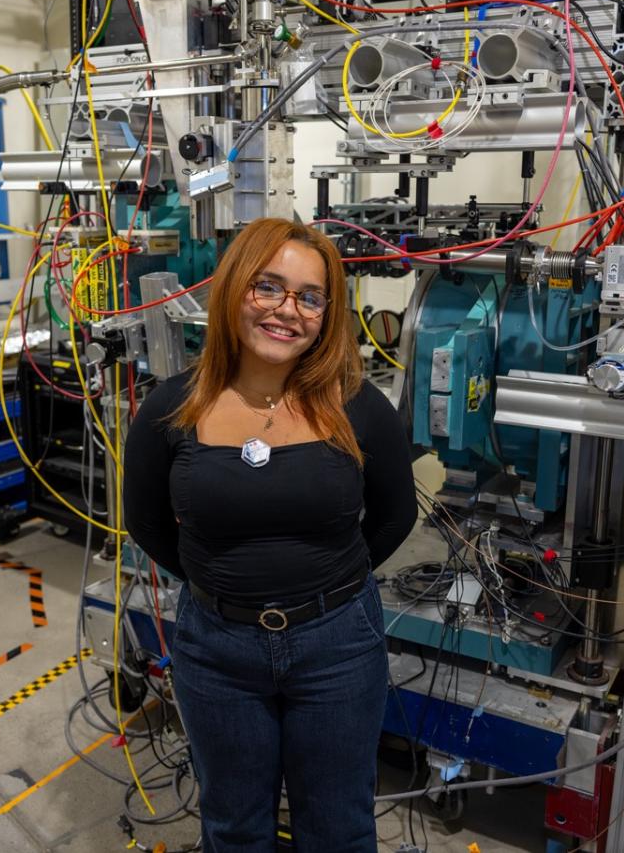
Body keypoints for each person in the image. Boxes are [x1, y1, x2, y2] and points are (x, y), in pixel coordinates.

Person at [123, 217, 417, 853]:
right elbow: (143, 521)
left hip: (337, 646)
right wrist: (219, 583)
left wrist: (328, 583)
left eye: (310, 297)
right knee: (233, 827)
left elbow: (396, 516)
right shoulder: (171, 408)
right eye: (269, 287)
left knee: (339, 830)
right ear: (234, 290)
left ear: (327, 313)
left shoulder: (359, 406)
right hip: (216, 648)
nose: (288, 311)